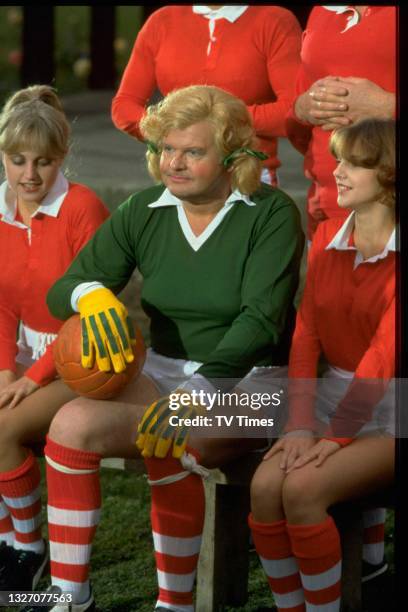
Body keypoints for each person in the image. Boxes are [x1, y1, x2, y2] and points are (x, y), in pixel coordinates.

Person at [27, 85, 305, 612]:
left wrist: (198, 391)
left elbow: (261, 323)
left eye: (193, 152)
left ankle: (173, 604)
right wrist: (91, 297)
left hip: (255, 385)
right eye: (166, 149)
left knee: (175, 432)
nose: (173, 163)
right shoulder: (143, 209)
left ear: (232, 154)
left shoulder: (271, 213)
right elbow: (62, 288)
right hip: (163, 373)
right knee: (69, 426)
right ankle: (69, 595)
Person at [249, 118, 395, 612]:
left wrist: (333, 438)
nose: (338, 171)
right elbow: (306, 337)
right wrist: (299, 425)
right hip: (333, 401)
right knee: (267, 485)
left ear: (390, 172)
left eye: (354, 163)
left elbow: (382, 358)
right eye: (338, 159)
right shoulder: (328, 236)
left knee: (304, 488)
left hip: (389, 411)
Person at [0, 85, 109, 593]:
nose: (29, 175)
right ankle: (8, 543)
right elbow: (1, 304)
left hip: (83, 356)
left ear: (62, 157)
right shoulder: (1, 209)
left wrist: (32, 380)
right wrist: (7, 371)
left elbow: (90, 313)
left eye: (43, 161)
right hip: (25, 353)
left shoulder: (82, 207)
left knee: (2, 429)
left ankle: (30, 549)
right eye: (17, 160)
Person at [111, 4, 302, 185]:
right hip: (177, 173)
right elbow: (124, 106)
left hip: (246, 175)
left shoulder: (274, 21)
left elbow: (294, 110)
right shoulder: (161, 21)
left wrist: (210, 123)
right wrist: (169, 130)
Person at [285, 5, 396, 240]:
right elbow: (297, 107)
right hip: (326, 207)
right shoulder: (321, 11)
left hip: (389, 209)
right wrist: (302, 108)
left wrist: (388, 107)